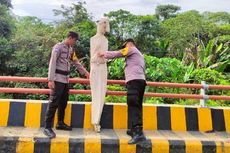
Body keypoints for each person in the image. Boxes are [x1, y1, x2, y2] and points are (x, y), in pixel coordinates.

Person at [98, 38, 146, 144]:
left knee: (133, 104)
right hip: (140, 81)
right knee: (136, 105)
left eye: (125, 46)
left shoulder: (131, 49)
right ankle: (134, 130)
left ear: (128, 44)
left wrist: (103, 53)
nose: (124, 49)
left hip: (134, 81)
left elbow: (118, 54)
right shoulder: (139, 54)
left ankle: (139, 133)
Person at [43, 31, 90, 139]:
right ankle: (47, 127)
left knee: (63, 102)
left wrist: (85, 72)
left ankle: (60, 123)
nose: (75, 42)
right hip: (57, 79)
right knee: (53, 102)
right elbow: (52, 62)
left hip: (65, 80)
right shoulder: (58, 47)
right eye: (74, 40)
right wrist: (50, 80)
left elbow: (76, 62)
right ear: (70, 38)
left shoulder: (70, 49)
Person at [90, 17, 110, 132]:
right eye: (103, 26)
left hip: (102, 68)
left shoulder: (106, 40)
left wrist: (101, 57)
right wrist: (97, 56)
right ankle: (94, 120)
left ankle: (97, 121)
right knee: (95, 94)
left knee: (101, 95)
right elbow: (92, 57)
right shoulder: (92, 39)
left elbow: (105, 57)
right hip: (94, 68)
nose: (104, 28)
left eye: (105, 26)